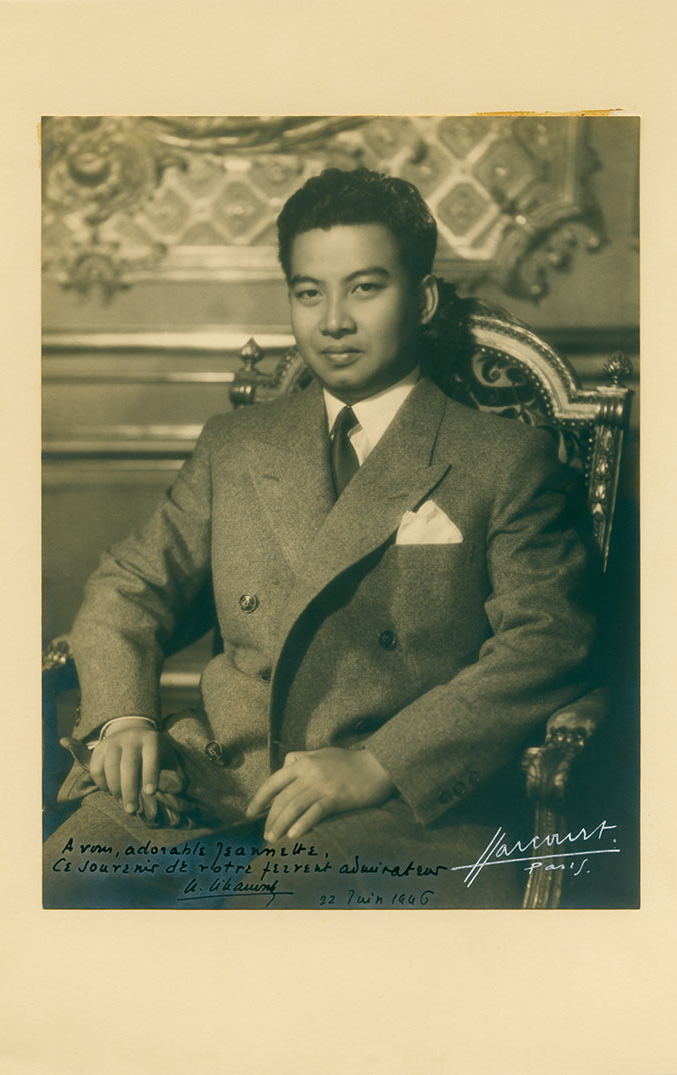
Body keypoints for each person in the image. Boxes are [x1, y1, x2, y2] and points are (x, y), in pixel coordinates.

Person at [43, 167, 596, 909]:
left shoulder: (503, 458)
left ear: (424, 300)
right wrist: (125, 716)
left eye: (365, 288)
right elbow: (129, 585)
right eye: (309, 292)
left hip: (399, 812)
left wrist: (380, 762)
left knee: (263, 935)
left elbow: (548, 642)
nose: (333, 321)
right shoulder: (236, 444)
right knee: (57, 884)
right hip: (216, 787)